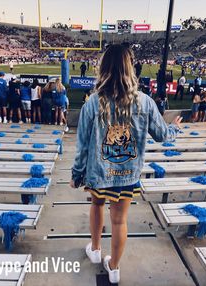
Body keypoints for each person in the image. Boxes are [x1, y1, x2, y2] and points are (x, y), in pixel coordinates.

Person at [70, 45, 182, 284]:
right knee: (120, 221)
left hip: (98, 173)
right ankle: (114, 267)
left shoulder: (92, 102)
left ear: (104, 68)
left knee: (97, 205)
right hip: (128, 175)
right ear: (130, 68)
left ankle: (96, 249)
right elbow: (163, 135)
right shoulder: (145, 102)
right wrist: (175, 128)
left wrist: (77, 174)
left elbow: (82, 146)